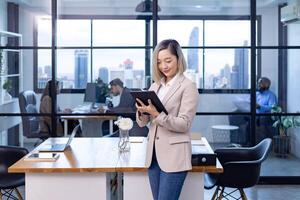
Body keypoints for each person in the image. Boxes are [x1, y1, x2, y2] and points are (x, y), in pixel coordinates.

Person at [135, 39, 199, 200]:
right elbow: (144, 123)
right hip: (154, 156)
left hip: (175, 156)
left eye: (168, 60)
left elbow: (184, 124)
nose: (164, 66)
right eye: (159, 62)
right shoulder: (155, 85)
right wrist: (142, 112)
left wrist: (157, 114)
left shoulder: (188, 86)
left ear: (179, 58)